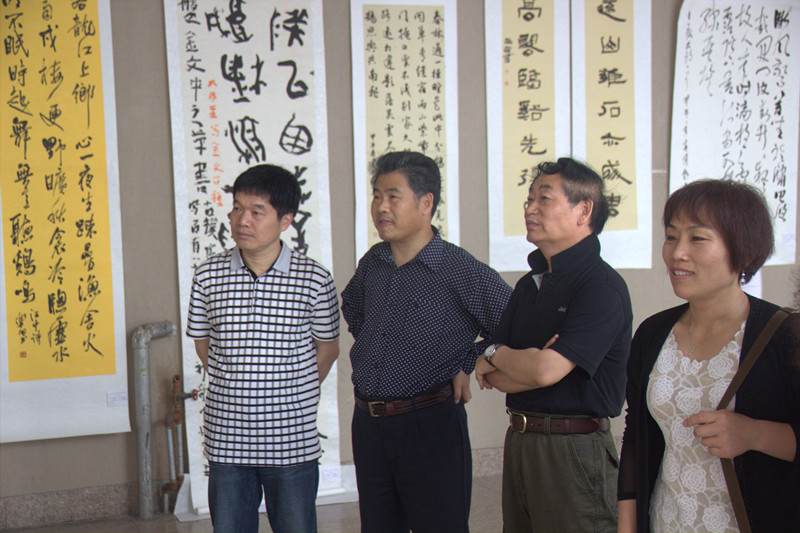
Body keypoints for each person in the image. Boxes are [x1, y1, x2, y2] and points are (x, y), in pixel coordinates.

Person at [341, 150, 512, 533]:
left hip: (429, 424)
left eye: (393, 196)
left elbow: (513, 321)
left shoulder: (458, 267)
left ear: (425, 203)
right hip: (369, 425)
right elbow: (353, 308)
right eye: (376, 195)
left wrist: (468, 360)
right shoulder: (374, 261)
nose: (381, 207)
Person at [617, 179, 800, 532]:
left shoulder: (784, 336)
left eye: (697, 238)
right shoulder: (653, 333)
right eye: (671, 236)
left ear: (743, 251)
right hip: (667, 521)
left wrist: (754, 434)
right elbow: (637, 437)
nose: (677, 253)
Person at [475, 157, 632, 532]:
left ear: (584, 210)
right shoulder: (529, 284)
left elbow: (543, 371)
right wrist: (524, 362)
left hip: (573, 448)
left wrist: (497, 354)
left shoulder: (601, 287)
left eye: (544, 199)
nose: (530, 209)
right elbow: (492, 377)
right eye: (529, 199)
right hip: (521, 440)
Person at [186, 164, 340, 533]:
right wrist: (238, 379)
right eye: (237, 208)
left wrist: (290, 389)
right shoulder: (208, 274)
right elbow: (204, 343)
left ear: (285, 220)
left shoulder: (314, 279)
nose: (243, 220)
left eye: (257, 211)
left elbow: (328, 349)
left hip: (292, 440)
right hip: (227, 440)